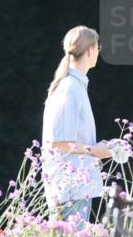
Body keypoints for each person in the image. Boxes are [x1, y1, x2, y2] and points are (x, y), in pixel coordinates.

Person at [41, 26, 112, 223]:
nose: (98, 52)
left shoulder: (74, 85)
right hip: (68, 189)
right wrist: (95, 150)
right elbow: (58, 142)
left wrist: (99, 147)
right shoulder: (70, 88)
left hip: (75, 187)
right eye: (98, 47)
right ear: (90, 51)